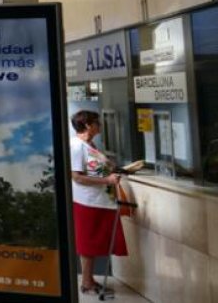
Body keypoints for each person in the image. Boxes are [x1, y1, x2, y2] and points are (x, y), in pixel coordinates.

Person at [70, 109, 127, 296]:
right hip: (88, 202)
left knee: (94, 243)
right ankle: (87, 283)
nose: (100, 125)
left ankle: (89, 280)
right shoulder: (77, 146)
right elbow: (76, 177)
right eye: (96, 122)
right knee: (88, 243)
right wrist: (107, 181)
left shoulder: (90, 145)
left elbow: (96, 167)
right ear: (87, 125)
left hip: (100, 201)